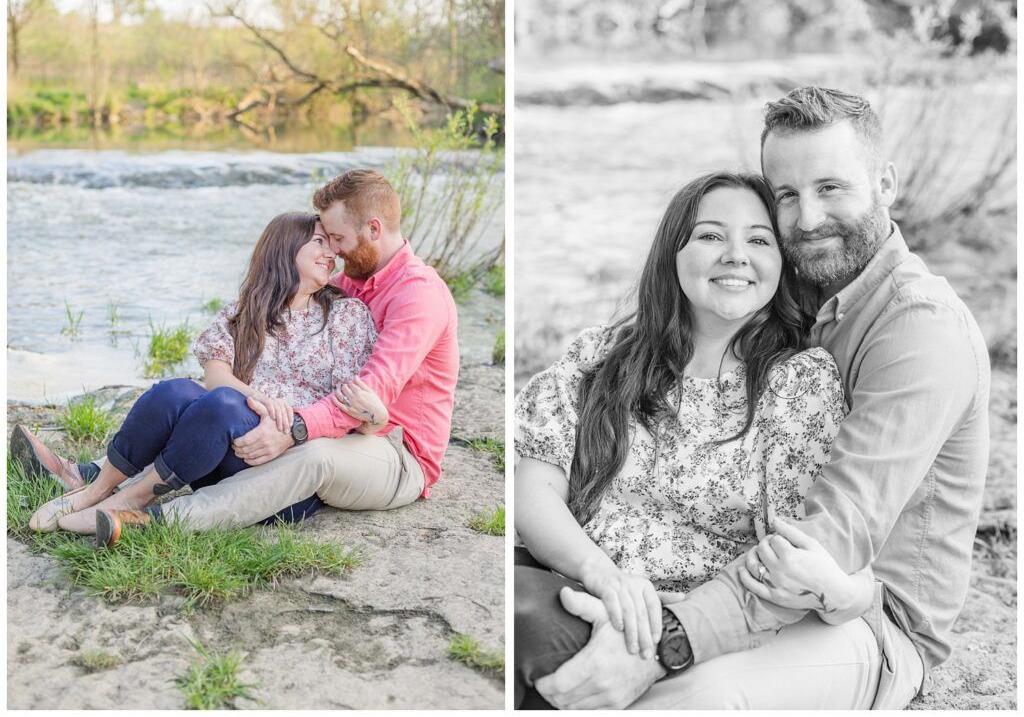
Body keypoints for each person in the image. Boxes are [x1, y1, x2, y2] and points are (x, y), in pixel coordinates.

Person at [530, 86, 990, 710]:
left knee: (671, 702)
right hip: (742, 591)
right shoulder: (793, 283)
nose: (806, 219)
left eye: (831, 187)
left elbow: (828, 538)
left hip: (866, 621)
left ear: (885, 182)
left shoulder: (920, 330)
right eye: (787, 195)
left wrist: (667, 642)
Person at [515, 171, 865, 707]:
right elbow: (534, 488)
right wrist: (604, 577)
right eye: (710, 235)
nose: (735, 255)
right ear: (672, 253)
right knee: (517, 607)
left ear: (781, 264)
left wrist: (668, 626)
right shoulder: (604, 357)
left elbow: (791, 554)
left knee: (537, 633)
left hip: (687, 624)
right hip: (574, 578)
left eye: (758, 239)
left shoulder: (799, 383)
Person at [52, 168, 460, 530]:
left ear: (374, 229)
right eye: (324, 240)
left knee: (313, 454)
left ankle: (151, 517)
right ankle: (100, 478)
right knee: (183, 394)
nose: (332, 251)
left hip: (395, 448)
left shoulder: (417, 296)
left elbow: (369, 395)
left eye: (337, 238)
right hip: (346, 430)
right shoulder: (352, 280)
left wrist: (292, 428)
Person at [16, 212, 383, 544]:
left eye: (332, 245)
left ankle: (134, 496)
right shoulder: (243, 314)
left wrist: (286, 421)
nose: (330, 253)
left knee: (224, 405)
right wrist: (263, 401)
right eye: (319, 241)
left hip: (286, 482)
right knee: (175, 391)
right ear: (285, 249)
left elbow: (348, 406)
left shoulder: (345, 317)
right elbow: (216, 377)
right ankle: (97, 489)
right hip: (221, 456)